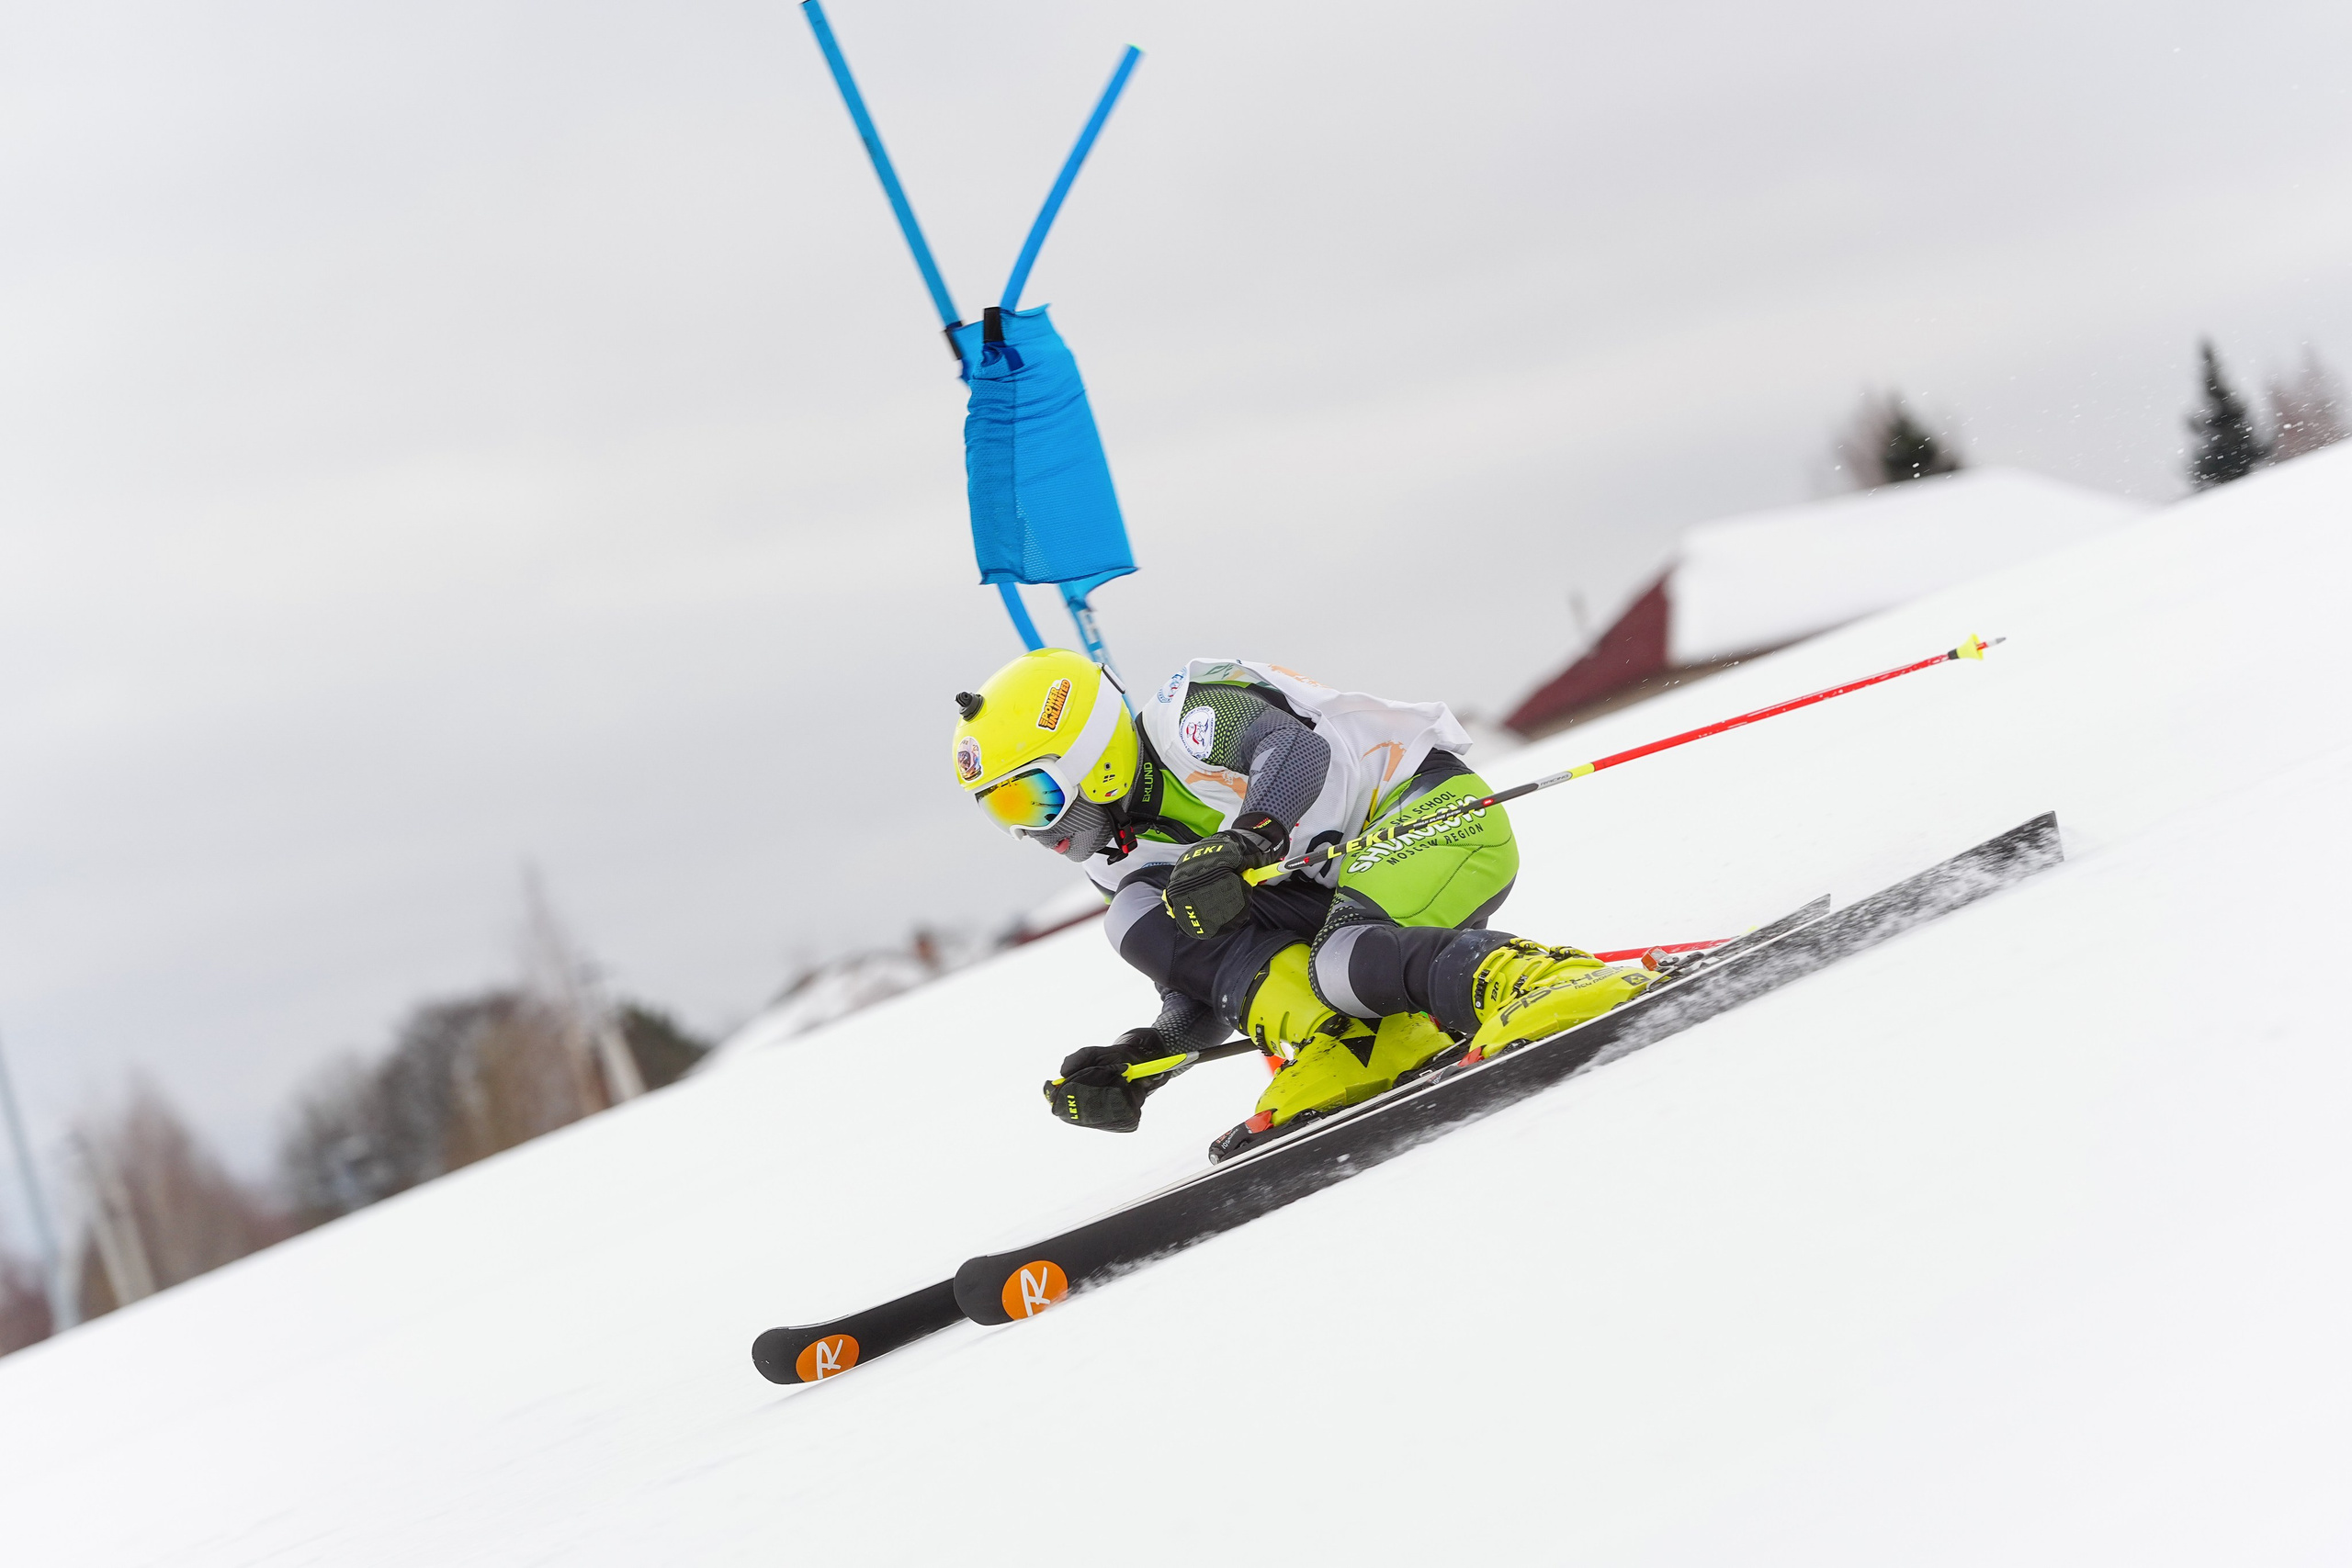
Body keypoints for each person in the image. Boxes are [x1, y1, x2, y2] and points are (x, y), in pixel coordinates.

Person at [951, 647, 1657, 1157]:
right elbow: (1207, 987)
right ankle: (1354, 1044)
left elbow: (1292, 751)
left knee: (1348, 957)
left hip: (1431, 815)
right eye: (999, 811)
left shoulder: (1186, 721)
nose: (1030, 829)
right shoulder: (1122, 854)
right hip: (1329, 890)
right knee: (1137, 914)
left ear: (1089, 752)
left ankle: (1542, 980)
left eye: (1032, 795)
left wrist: (1247, 842)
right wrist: (1147, 1056)